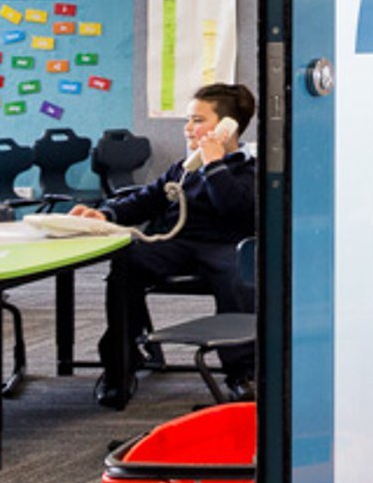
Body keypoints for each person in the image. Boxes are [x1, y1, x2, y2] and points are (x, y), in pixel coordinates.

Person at [70, 82, 257, 406]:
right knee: (127, 258)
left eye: (198, 120)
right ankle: (121, 364)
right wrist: (104, 214)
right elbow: (146, 201)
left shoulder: (249, 169)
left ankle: (241, 373)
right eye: (188, 119)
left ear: (229, 128)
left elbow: (234, 208)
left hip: (227, 246)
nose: (187, 128)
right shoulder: (181, 171)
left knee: (239, 273)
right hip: (178, 243)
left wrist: (214, 164)